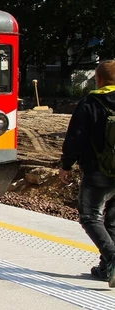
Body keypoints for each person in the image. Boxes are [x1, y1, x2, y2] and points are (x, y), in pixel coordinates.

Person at [60, 60, 115, 287]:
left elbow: (76, 137)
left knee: (90, 216)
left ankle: (112, 258)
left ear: (98, 79)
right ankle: (105, 268)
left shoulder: (90, 103)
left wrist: (66, 165)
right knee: (111, 219)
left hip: (97, 171)